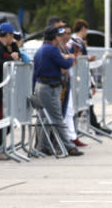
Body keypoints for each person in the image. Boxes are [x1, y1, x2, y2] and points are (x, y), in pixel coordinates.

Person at [33, 26, 83, 157]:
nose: (61, 38)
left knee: (44, 118)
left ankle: (42, 146)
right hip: (49, 87)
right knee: (57, 118)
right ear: (54, 37)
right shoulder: (52, 49)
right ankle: (69, 146)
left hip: (41, 86)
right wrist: (71, 57)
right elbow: (65, 64)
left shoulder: (42, 49)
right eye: (59, 36)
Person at [69, 19, 111, 136]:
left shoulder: (72, 41)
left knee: (85, 104)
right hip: (79, 79)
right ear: (83, 29)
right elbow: (80, 60)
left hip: (78, 78)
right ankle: (91, 127)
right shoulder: (78, 42)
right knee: (81, 104)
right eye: (86, 29)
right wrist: (88, 58)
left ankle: (93, 126)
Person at [0, 22, 20, 156]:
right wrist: (9, 57)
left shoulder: (8, 46)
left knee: (6, 121)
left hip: (5, 90)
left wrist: (14, 47)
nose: (13, 39)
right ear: (8, 34)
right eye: (12, 36)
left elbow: (18, 55)